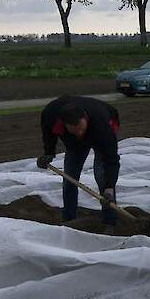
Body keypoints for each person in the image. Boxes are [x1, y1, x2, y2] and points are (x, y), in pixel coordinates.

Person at [37, 95, 122, 231]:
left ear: (85, 119)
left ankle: (110, 221)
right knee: (69, 177)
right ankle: (69, 218)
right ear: (65, 125)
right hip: (73, 142)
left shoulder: (102, 126)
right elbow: (48, 133)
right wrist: (49, 153)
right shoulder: (50, 115)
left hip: (101, 128)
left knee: (102, 176)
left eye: (81, 129)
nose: (80, 133)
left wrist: (110, 187)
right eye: (75, 131)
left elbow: (111, 159)